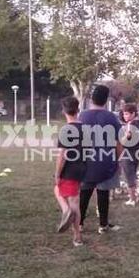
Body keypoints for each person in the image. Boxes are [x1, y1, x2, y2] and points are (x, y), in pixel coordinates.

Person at [79, 85, 123, 234]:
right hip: (105, 161)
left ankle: (79, 224)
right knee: (103, 193)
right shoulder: (112, 118)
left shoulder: (82, 116)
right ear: (106, 99)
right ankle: (103, 225)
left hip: (86, 162)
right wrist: (117, 161)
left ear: (91, 98)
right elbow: (119, 143)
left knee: (84, 193)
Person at [54, 96, 86, 246]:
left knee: (67, 198)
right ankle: (71, 217)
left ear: (63, 111)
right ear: (78, 110)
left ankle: (76, 235)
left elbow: (62, 155)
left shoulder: (66, 130)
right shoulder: (86, 129)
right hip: (83, 169)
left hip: (69, 170)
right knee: (74, 199)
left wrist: (58, 174)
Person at [119, 103, 139, 207]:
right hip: (138, 153)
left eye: (127, 114)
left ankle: (132, 199)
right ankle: (136, 195)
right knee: (133, 174)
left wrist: (125, 137)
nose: (125, 116)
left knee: (129, 177)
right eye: (124, 114)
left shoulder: (128, 126)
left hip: (127, 154)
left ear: (133, 113)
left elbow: (123, 142)